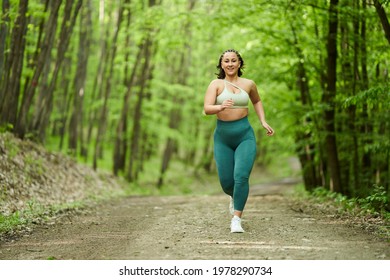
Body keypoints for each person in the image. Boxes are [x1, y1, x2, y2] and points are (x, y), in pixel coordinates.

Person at [203, 49, 274, 233]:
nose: (230, 64)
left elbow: (257, 101)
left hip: (244, 135)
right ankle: (234, 196)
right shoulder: (216, 84)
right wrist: (220, 106)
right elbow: (207, 109)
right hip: (223, 137)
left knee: (241, 176)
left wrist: (263, 121)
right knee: (227, 182)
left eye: (234, 60)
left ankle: (236, 219)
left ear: (239, 63)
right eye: (226, 61)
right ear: (221, 64)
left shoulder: (249, 84)